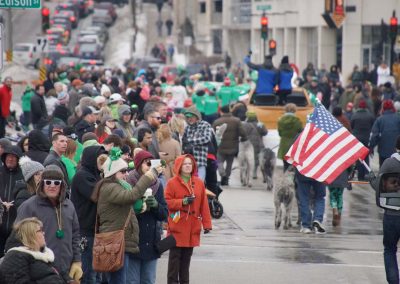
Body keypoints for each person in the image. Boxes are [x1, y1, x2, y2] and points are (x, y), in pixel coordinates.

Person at [95, 148, 162, 283]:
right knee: (118, 280)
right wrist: (150, 175)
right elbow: (132, 196)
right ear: (113, 173)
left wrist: (141, 207)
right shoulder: (110, 187)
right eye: (123, 171)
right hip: (115, 242)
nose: (126, 174)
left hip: (119, 242)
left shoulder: (116, 185)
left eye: (126, 170)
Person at [15, 165, 83, 283]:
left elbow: (75, 235)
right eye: (48, 182)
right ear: (42, 184)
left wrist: (77, 261)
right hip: (40, 273)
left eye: (56, 182)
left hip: (66, 272)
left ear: (62, 185)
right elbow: (17, 240)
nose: (52, 185)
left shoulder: (69, 206)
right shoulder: (29, 207)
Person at [164, 154, 212, 284]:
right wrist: (182, 201)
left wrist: (207, 224)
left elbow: (204, 205)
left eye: (190, 164)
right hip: (177, 227)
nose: (187, 166)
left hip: (192, 228)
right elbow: (167, 202)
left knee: (186, 263)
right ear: (179, 166)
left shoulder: (199, 183)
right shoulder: (172, 183)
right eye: (185, 163)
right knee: (174, 262)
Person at [127, 150, 168, 283]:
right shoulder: (129, 182)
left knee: (148, 280)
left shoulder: (157, 185)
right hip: (133, 240)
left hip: (151, 241)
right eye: (146, 163)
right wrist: (136, 206)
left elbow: (164, 214)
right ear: (138, 165)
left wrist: (155, 205)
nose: (149, 166)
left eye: (151, 163)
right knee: (132, 281)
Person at [71, 145, 107, 284]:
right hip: (86, 231)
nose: (103, 162)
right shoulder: (82, 175)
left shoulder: (96, 175)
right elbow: (97, 195)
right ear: (92, 159)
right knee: (88, 274)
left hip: (96, 230)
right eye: (100, 158)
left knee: (98, 274)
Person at [0, 217, 73, 283]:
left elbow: (60, 273)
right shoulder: (15, 256)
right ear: (30, 235)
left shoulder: (45, 255)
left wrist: (69, 280)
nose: (43, 233)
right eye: (40, 230)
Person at [372, 136, 400, 284]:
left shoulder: (389, 163)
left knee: (389, 250)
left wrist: (371, 179)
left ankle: (394, 281)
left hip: (392, 214)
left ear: (396, 147)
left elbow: (379, 186)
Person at [212, 105, 247, 186]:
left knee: (219, 161)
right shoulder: (237, 121)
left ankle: (222, 174)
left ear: (221, 112)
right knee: (229, 163)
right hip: (233, 146)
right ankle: (226, 179)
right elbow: (242, 132)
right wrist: (244, 138)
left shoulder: (217, 121)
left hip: (220, 146)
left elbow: (212, 133)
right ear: (230, 110)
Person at [0, 145, 24, 256]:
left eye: (14, 157)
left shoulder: (23, 175)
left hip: (16, 227)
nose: (10, 159)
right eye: (8, 156)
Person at [295, 170, 327, 234]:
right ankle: (317, 219)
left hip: (303, 172)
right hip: (320, 171)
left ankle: (306, 226)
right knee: (320, 197)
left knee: (304, 198)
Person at [370, 100, 400, 166]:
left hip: (383, 151)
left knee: (384, 170)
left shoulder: (379, 120)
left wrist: (371, 147)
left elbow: (374, 135)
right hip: (397, 151)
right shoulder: (398, 118)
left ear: (383, 108)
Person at [277, 103, 303, 172]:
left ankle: (285, 174)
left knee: (285, 164)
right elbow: (301, 132)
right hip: (294, 144)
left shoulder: (280, 120)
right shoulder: (297, 121)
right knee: (293, 165)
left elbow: (280, 133)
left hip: (284, 144)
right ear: (294, 110)